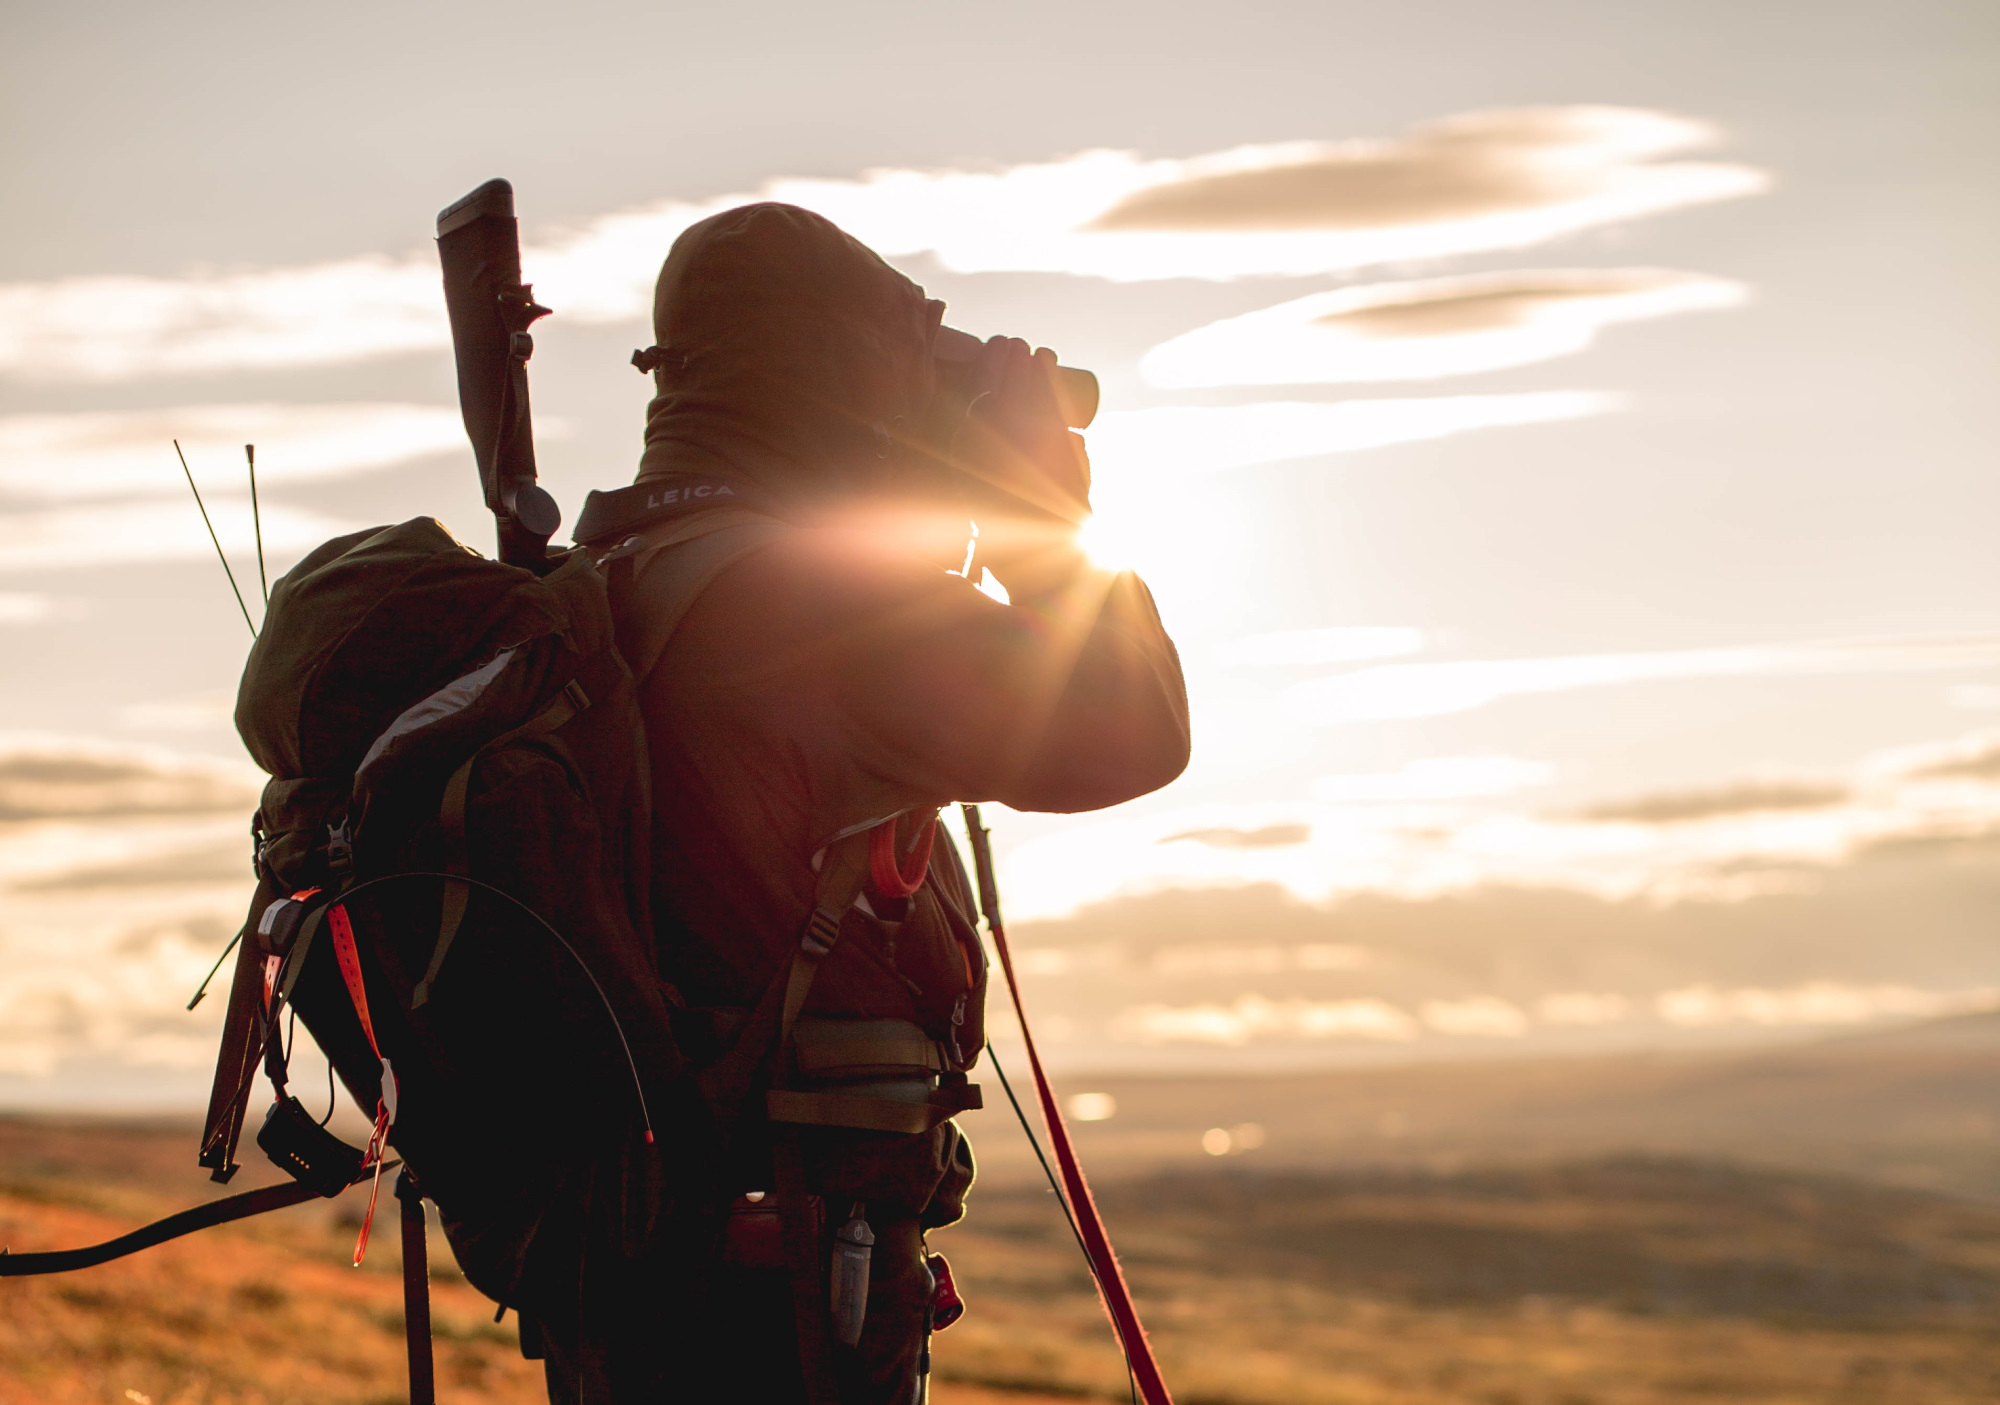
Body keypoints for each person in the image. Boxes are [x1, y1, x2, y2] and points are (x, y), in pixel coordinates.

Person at [543, 202, 1190, 1403]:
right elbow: (1132, 727)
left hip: (636, 1264)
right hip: (787, 1287)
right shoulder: (813, 609)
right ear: (837, 372)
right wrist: (1042, 509)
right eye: (910, 360)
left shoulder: (598, 588)